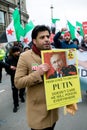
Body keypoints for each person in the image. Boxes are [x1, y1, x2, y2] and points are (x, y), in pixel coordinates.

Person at [14, 25, 78, 130]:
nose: (47, 39)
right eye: (42, 37)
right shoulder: (25, 56)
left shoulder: (56, 53)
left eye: (48, 36)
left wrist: (70, 98)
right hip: (37, 114)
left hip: (53, 112)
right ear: (34, 41)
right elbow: (18, 82)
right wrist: (37, 73)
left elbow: (65, 78)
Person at [5, 46, 25, 113]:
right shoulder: (9, 59)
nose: (18, 52)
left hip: (22, 75)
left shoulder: (21, 57)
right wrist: (12, 72)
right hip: (14, 77)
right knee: (14, 91)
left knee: (22, 87)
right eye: (16, 51)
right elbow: (7, 69)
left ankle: (21, 96)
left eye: (18, 51)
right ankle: (16, 105)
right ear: (13, 52)